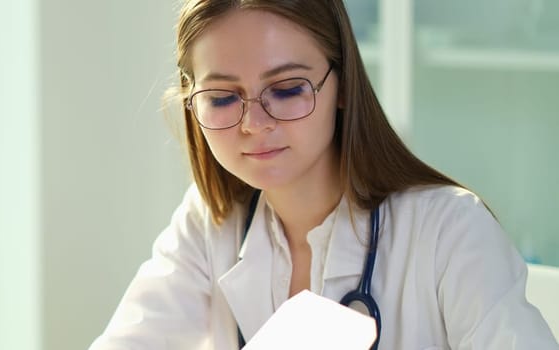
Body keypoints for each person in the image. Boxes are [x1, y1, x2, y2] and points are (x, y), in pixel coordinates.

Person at [90, 0, 558, 349]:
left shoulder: (450, 230)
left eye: (288, 89)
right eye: (222, 98)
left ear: (342, 85)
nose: (254, 124)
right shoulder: (211, 221)